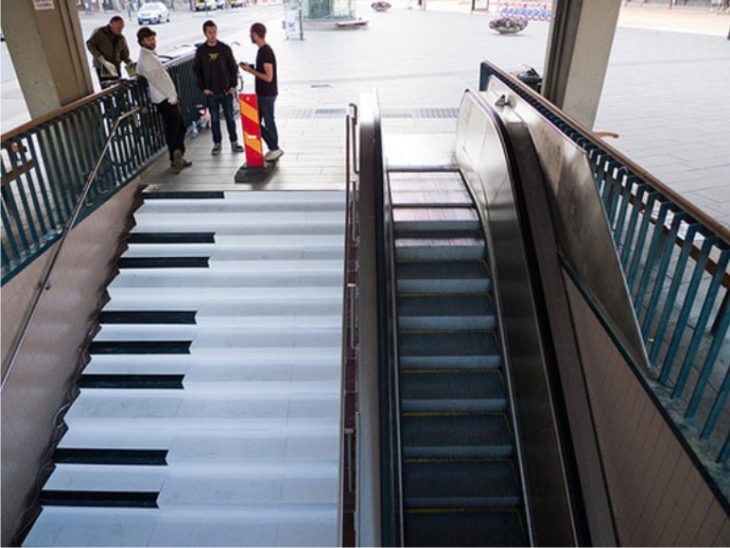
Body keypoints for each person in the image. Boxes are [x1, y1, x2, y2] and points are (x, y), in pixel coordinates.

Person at [136, 27, 192, 174]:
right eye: (149, 39)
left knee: (177, 127)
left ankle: (177, 156)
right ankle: (175, 157)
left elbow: (140, 72)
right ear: (142, 41)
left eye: (153, 38)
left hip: (165, 97)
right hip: (165, 99)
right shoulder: (147, 59)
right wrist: (171, 96)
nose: (152, 41)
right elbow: (158, 80)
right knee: (175, 128)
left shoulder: (147, 56)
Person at [192, 20, 244, 155]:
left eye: (214, 31)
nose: (212, 35)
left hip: (226, 90)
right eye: (209, 32)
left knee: (230, 118)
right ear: (205, 33)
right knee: (214, 119)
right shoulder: (201, 52)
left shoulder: (224, 49)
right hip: (211, 92)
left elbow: (233, 67)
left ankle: (234, 142)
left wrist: (233, 85)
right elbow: (197, 71)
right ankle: (217, 143)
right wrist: (203, 88)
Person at [240, 22, 283, 162]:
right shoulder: (262, 51)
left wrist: (251, 71)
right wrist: (252, 67)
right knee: (259, 121)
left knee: (268, 121)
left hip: (267, 94)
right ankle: (273, 147)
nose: (250, 37)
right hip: (264, 93)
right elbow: (263, 70)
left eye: (250, 34)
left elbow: (268, 77)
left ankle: (274, 147)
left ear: (255, 35)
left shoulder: (265, 52)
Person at [86, 16, 132, 89]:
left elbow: (125, 55)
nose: (120, 30)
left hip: (115, 67)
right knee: (106, 89)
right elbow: (90, 44)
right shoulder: (100, 32)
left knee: (119, 88)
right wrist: (99, 56)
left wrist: (131, 66)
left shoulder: (121, 38)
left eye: (122, 28)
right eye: (118, 28)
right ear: (111, 25)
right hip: (103, 67)